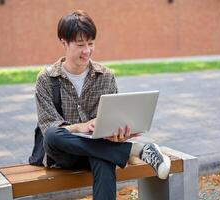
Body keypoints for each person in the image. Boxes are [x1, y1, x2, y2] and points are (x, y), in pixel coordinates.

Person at [35, 10, 171, 200]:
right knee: (51, 135)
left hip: (101, 148)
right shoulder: (47, 79)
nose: (87, 51)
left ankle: (129, 149)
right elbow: (48, 126)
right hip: (64, 155)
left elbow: (112, 121)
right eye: (80, 45)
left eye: (91, 44)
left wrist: (118, 135)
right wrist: (81, 127)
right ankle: (138, 150)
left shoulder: (105, 76)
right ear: (63, 42)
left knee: (103, 157)